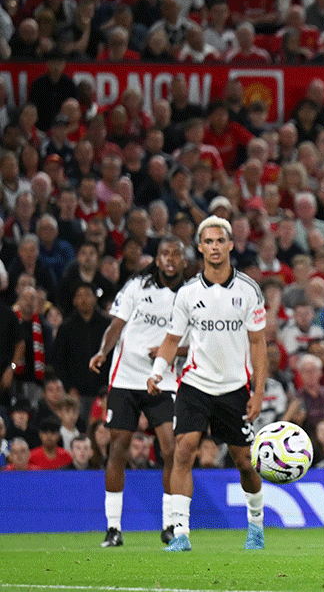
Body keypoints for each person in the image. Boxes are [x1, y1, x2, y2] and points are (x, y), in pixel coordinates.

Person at [147, 216, 268, 552]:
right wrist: (158, 371)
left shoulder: (248, 290)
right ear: (200, 248)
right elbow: (172, 339)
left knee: (245, 461)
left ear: (230, 245)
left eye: (220, 241)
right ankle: (180, 533)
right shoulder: (187, 293)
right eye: (208, 242)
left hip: (234, 388)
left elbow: (258, 345)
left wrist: (258, 392)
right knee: (183, 449)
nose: (215, 247)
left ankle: (256, 526)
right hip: (195, 384)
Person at [88, 236, 187, 548]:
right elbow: (116, 325)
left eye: (176, 254)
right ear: (157, 259)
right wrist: (103, 351)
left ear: (183, 261)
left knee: (171, 448)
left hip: (164, 380)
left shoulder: (191, 295)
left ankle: (169, 524)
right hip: (127, 378)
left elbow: (195, 344)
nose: (170, 259)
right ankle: (113, 528)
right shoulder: (136, 286)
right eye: (164, 253)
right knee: (118, 447)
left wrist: (169, 351)